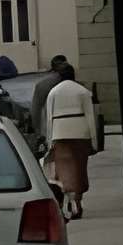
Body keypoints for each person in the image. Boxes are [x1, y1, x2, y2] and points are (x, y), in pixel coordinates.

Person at [40, 55, 97, 218]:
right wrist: (94, 141)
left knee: (64, 169)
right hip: (81, 133)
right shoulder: (83, 91)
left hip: (60, 133)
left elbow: (49, 119)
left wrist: (49, 141)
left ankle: (71, 200)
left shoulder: (53, 92)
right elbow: (91, 118)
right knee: (79, 168)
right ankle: (77, 200)